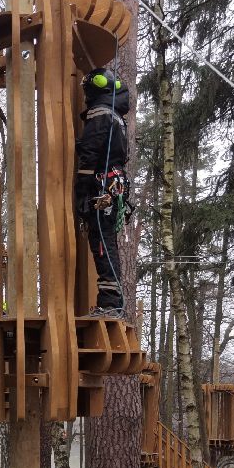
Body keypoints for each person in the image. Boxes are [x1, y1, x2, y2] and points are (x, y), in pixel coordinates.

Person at [74, 68, 130, 318]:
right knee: (106, 242)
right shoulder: (116, 115)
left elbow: (90, 154)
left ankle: (110, 304)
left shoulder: (100, 113)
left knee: (102, 244)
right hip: (113, 183)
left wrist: (81, 192)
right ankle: (112, 302)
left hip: (102, 186)